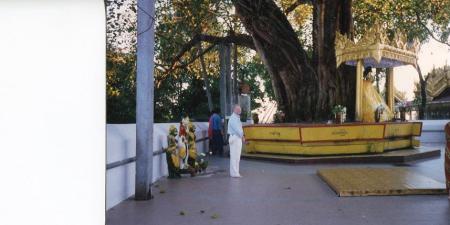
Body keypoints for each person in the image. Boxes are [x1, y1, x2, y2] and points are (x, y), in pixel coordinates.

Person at [227, 104, 245, 178]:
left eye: (240, 109)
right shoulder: (234, 118)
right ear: (234, 110)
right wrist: (242, 136)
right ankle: (235, 173)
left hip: (236, 138)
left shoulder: (235, 117)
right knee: (235, 156)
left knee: (236, 156)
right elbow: (237, 129)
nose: (239, 110)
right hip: (235, 138)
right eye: (238, 109)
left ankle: (235, 172)